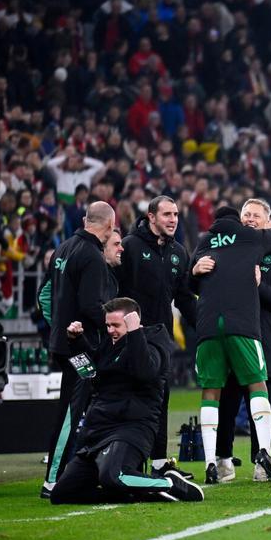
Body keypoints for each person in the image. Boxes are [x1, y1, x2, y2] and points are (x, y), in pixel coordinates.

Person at [52, 297, 202, 504]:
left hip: (131, 428)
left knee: (114, 476)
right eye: (108, 325)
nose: (110, 330)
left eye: (116, 325)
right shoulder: (110, 345)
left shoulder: (153, 341)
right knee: (62, 493)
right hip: (98, 430)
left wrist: (135, 334)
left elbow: (145, 372)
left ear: (133, 322)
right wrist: (76, 342)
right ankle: (138, 492)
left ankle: (170, 483)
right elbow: (92, 376)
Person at [189, 204, 271, 484]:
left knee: (211, 392)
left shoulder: (204, 241)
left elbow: (189, 284)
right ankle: (264, 452)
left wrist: (195, 270)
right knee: (258, 385)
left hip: (208, 327)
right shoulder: (250, 237)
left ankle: (211, 462)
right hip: (242, 325)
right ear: (238, 220)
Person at [115, 195, 198, 477]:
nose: (173, 220)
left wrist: (205, 325)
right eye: (167, 215)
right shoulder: (129, 247)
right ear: (151, 217)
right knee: (130, 399)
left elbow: (184, 298)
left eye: (175, 215)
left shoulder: (179, 252)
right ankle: (126, 461)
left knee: (161, 399)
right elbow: (114, 293)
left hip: (161, 339)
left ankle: (160, 463)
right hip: (131, 338)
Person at [40, 201, 118, 499]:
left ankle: (75, 472)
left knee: (79, 409)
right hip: (80, 348)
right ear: (109, 225)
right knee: (72, 413)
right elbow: (90, 307)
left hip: (63, 343)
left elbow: (45, 295)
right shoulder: (92, 256)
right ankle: (53, 479)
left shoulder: (63, 249)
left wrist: (57, 328)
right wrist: (115, 325)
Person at [215, 199, 271, 481]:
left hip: (264, 337)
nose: (250, 219)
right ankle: (223, 459)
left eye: (256, 216)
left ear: (265, 222)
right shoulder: (227, 251)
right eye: (246, 214)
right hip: (233, 337)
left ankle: (262, 461)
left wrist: (260, 286)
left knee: (263, 405)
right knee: (227, 403)